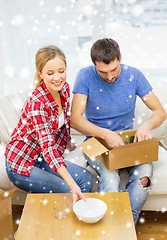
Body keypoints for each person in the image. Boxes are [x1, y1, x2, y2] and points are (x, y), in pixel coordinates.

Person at [71, 38, 166, 224]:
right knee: (109, 176)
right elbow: (75, 119)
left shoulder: (134, 75)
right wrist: (106, 134)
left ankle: (125, 226)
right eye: (102, 72)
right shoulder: (85, 76)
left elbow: (160, 112)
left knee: (144, 173)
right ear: (94, 65)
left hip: (127, 144)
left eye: (114, 69)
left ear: (120, 57)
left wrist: (146, 126)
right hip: (96, 143)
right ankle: (111, 226)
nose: (109, 77)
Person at [5, 45, 93, 204]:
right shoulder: (37, 103)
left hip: (41, 156)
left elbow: (63, 122)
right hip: (21, 162)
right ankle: (62, 225)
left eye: (61, 71)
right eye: (50, 73)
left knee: (86, 179)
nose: (57, 77)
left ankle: (76, 222)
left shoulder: (64, 89)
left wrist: (67, 143)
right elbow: (48, 148)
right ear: (40, 73)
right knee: (68, 190)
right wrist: (72, 185)